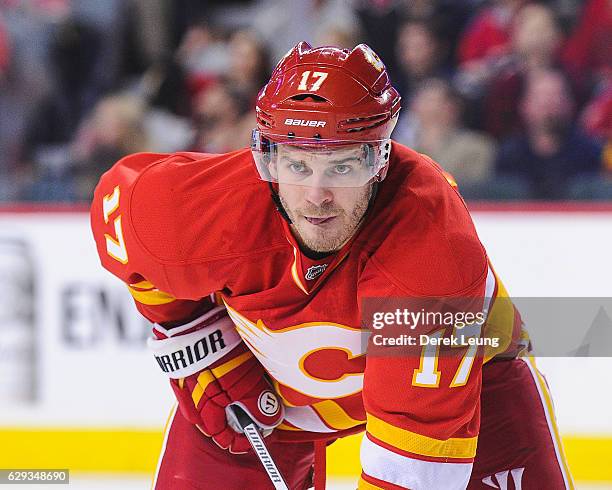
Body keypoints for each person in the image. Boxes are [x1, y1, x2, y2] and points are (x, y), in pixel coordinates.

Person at [91, 42, 573, 489]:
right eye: (298, 165)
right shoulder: (198, 211)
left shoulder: (431, 249)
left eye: (342, 166)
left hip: (475, 391)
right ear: (266, 160)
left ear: (380, 160)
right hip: (264, 400)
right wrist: (197, 338)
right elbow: (120, 221)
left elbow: (409, 473)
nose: (317, 197)